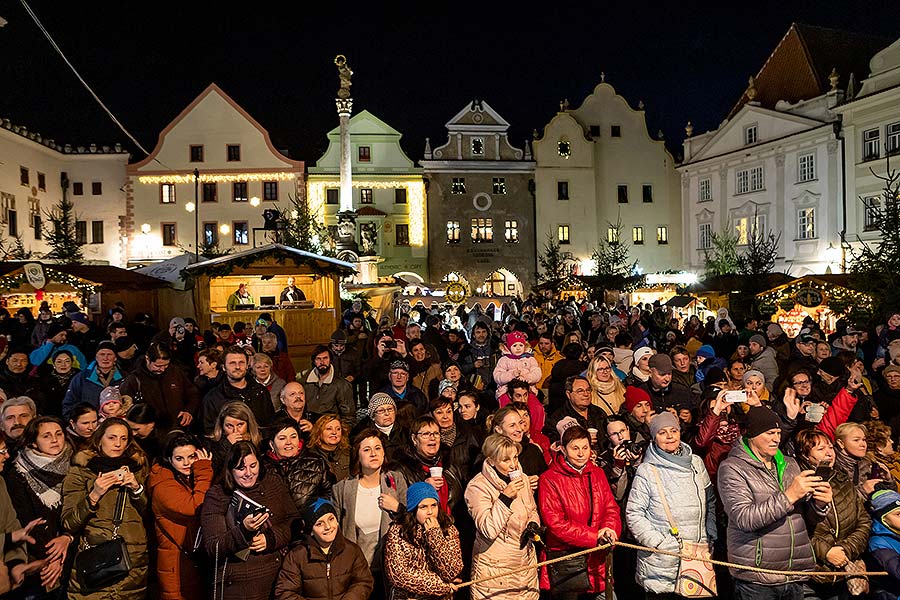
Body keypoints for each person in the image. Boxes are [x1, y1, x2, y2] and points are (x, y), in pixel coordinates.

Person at [717, 406, 831, 599]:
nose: (776, 438)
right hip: (757, 576)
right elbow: (744, 519)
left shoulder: (790, 463)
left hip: (793, 572)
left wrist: (819, 504)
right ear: (753, 434)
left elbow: (805, 518)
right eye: (770, 433)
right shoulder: (732, 468)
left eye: (778, 433)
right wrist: (789, 495)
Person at [626, 412, 717, 598]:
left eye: (673, 430)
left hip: (696, 557)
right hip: (662, 561)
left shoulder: (696, 464)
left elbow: (710, 500)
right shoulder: (647, 470)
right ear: (654, 437)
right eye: (662, 432)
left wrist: (710, 533)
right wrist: (658, 543)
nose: (669, 436)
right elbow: (634, 513)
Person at [61, 417, 150, 599]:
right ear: (99, 438)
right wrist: (94, 494)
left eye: (123, 438)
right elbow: (69, 522)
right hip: (96, 560)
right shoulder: (81, 470)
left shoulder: (139, 469)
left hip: (132, 563)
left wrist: (136, 488)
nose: (118, 444)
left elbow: (150, 514)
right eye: (112, 437)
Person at [201, 440, 299, 600]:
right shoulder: (218, 495)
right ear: (230, 470)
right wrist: (244, 531)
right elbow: (214, 547)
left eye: (253, 466)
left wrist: (271, 538)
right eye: (241, 468)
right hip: (238, 584)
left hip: (277, 579)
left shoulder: (273, 483)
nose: (248, 473)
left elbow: (294, 522)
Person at [538, 424, 620, 599]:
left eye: (585, 448)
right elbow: (555, 524)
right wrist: (593, 536)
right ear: (564, 449)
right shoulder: (549, 479)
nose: (581, 453)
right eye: (575, 448)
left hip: (598, 559)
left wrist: (609, 530)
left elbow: (610, 508)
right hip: (568, 562)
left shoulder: (597, 473)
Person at [795, 428, 871, 600]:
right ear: (805, 455)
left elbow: (864, 521)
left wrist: (845, 549)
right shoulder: (798, 482)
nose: (829, 453)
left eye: (830, 447)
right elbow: (795, 529)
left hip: (843, 573)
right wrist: (826, 552)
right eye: (821, 449)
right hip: (810, 574)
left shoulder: (842, 479)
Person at [3, 416, 75, 595]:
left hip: (73, 550)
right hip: (40, 556)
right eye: (46, 436)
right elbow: (26, 519)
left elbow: (79, 511)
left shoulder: (76, 464)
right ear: (33, 442)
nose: (54, 439)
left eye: (59, 434)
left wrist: (68, 537)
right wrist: (53, 558)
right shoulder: (17, 473)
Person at [464, 434, 540, 600]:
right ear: (491, 461)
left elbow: (532, 509)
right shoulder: (477, 487)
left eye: (515, 457)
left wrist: (533, 524)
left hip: (525, 565)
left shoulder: (523, 479)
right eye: (506, 460)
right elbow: (488, 529)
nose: (513, 465)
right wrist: (504, 498)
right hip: (494, 571)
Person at [332, 429, 407, 597]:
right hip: (356, 571)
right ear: (357, 455)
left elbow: (412, 522)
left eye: (378, 448)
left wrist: (398, 509)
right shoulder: (342, 489)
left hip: (390, 570)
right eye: (367, 449)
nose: (373, 453)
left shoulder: (396, 480)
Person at [147, 431, 213, 600]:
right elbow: (195, 507)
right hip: (176, 565)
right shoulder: (163, 485)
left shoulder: (187, 478)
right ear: (169, 459)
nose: (186, 463)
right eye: (179, 459)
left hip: (190, 561)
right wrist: (204, 468)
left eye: (191, 457)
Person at [275, 497, 374, 600]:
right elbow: (285, 592)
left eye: (331, 519)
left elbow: (363, 581)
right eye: (319, 523)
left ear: (337, 521)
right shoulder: (297, 556)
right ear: (311, 530)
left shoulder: (352, 551)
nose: (328, 527)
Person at [383, 482, 464, 600]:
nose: (430, 511)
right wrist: (439, 585)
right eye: (423, 507)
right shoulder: (398, 531)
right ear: (413, 509)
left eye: (433, 505)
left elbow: (452, 572)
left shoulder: (448, 528)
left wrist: (435, 535)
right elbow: (399, 574)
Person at [118, 342, 199, 433]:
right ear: (147, 359)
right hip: (151, 434)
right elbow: (123, 406)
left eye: (166, 365)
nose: (163, 369)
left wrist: (188, 411)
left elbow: (192, 394)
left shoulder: (175, 372)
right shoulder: (134, 380)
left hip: (178, 429)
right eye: (158, 366)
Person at [202, 346, 275, 434]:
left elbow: (270, 425)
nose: (237, 367)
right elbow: (209, 432)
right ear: (224, 367)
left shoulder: (261, 392)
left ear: (247, 365)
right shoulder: (213, 397)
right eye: (232, 363)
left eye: (241, 362)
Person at [61, 342, 126, 419]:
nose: (105, 358)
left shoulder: (125, 378)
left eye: (109, 354)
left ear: (115, 358)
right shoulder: (81, 378)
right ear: (96, 357)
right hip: (89, 425)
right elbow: (68, 404)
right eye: (102, 354)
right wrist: (75, 423)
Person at [299, 345, 356, 426]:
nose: (322, 362)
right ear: (314, 361)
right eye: (318, 359)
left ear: (330, 360)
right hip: (309, 427)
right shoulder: (304, 383)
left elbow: (349, 417)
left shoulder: (342, 385)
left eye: (325, 358)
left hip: (331, 428)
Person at [209, 401, 264, 472]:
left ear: (248, 424)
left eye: (240, 424)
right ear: (222, 426)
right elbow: (214, 471)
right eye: (229, 426)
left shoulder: (261, 442)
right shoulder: (212, 445)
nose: (235, 431)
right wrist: (226, 445)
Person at [306, 414, 351, 482]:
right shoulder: (310, 455)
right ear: (319, 432)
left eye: (338, 429)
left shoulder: (348, 452)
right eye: (329, 429)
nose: (334, 432)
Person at [37, 348, 80, 418]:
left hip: (73, 415)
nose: (63, 364)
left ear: (72, 363)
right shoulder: (45, 379)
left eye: (67, 361)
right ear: (54, 364)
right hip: (51, 416)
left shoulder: (79, 378)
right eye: (59, 362)